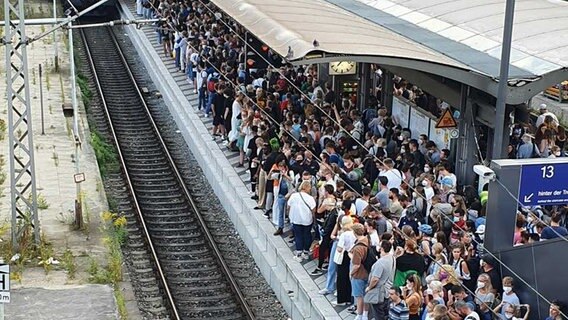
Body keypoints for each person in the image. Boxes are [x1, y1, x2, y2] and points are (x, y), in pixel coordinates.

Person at [366, 240, 396, 320]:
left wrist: (369, 288)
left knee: (378, 314)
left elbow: (375, 279)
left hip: (379, 292)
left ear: (382, 249)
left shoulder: (380, 263)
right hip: (388, 290)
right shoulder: (392, 258)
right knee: (385, 313)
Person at [287, 181, 316, 261]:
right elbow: (313, 209)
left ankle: (299, 253)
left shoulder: (294, 196)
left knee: (298, 235)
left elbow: (288, 206)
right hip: (307, 220)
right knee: (307, 235)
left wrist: (289, 215)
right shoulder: (310, 198)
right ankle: (306, 252)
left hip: (296, 219)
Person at [350, 223, 370, 320]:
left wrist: (351, 273)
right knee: (366, 295)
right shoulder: (367, 240)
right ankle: (366, 314)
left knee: (359, 296)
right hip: (368, 271)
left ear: (354, 232)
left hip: (359, 274)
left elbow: (356, 265)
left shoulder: (358, 248)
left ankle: (359, 315)